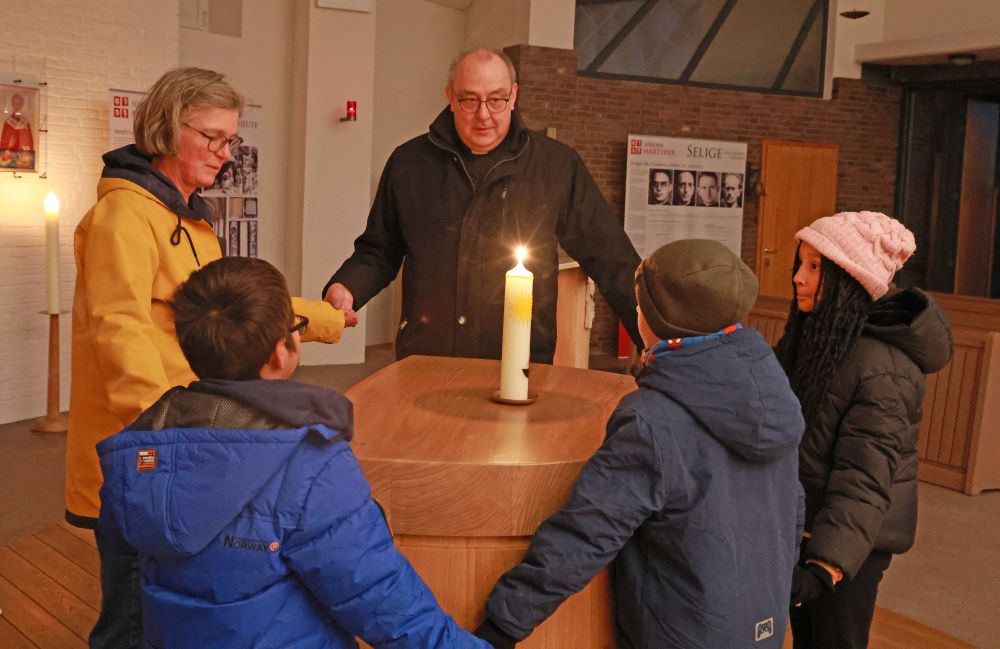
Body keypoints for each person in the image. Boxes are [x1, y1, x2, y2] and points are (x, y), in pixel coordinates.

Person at [66, 67, 345, 649]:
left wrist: (322, 317)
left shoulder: (186, 219)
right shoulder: (124, 217)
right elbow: (120, 334)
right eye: (213, 138)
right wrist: (166, 433)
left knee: (163, 605)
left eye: (230, 140)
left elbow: (228, 311)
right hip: (144, 450)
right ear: (168, 129)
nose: (225, 154)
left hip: (180, 439)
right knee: (132, 619)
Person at [96, 257, 489, 649]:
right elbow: (390, 608)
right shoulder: (310, 464)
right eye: (295, 326)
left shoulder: (136, 453)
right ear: (281, 351)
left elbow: (125, 604)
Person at [475, 239, 805, 649]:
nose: (636, 313)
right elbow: (792, 509)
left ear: (661, 319)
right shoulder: (775, 397)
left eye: (640, 305)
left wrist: (504, 624)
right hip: (759, 625)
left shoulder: (651, 420)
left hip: (678, 633)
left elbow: (586, 532)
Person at [324, 48, 643, 362]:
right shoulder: (409, 164)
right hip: (427, 358)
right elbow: (379, 250)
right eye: (469, 99)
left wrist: (652, 336)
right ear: (450, 97)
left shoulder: (555, 166)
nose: (484, 114)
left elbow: (610, 256)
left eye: (496, 99)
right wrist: (348, 287)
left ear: (514, 95)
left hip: (518, 361)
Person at [774, 212, 952, 649]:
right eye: (800, 264)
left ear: (849, 278)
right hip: (816, 524)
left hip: (852, 541)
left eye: (815, 267)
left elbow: (865, 476)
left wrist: (826, 564)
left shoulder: (882, 366)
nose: (799, 278)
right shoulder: (820, 339)